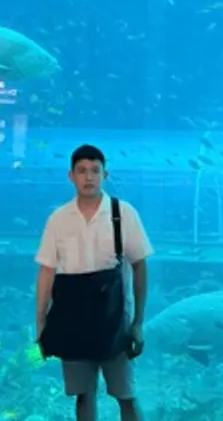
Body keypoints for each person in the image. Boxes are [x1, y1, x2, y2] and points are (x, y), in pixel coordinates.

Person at [35, 144, 153, 421]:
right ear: (71, 176)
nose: (89, 177)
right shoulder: (58, 219)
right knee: (83, 394)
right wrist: (41, 324)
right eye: (82, 171)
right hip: (72, 321)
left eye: (95, 171)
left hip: (116, 322)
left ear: (105, 175)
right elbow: (47, 272)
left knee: (126, 395)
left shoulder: (123, 213)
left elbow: (140, 265)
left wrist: (138, 322)